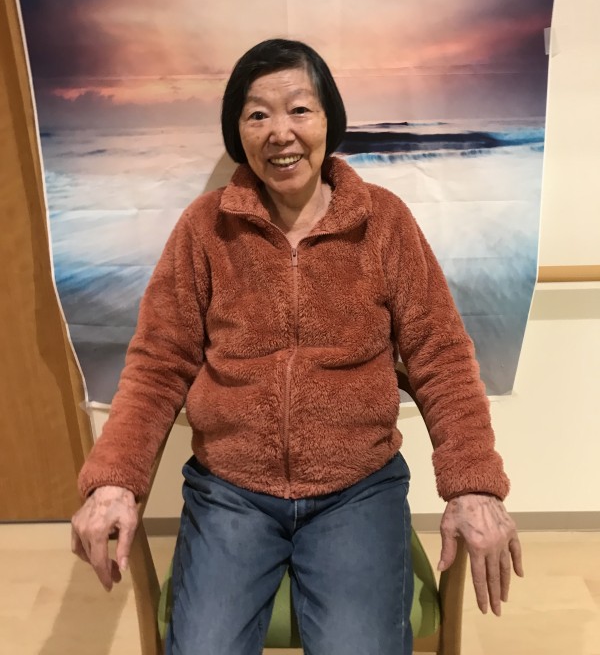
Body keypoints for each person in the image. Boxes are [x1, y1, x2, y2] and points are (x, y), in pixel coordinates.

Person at [71, 38, 523, 655]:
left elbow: (440, 355)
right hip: (230, 492)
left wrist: (474, 484)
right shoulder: (204, 228)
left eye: (299, 110)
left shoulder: (384, 221)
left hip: (358, 489)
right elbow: (157, 365)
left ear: (329, 119)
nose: (280, 132)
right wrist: (114, 481)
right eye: (258, 114)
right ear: (238, 132)